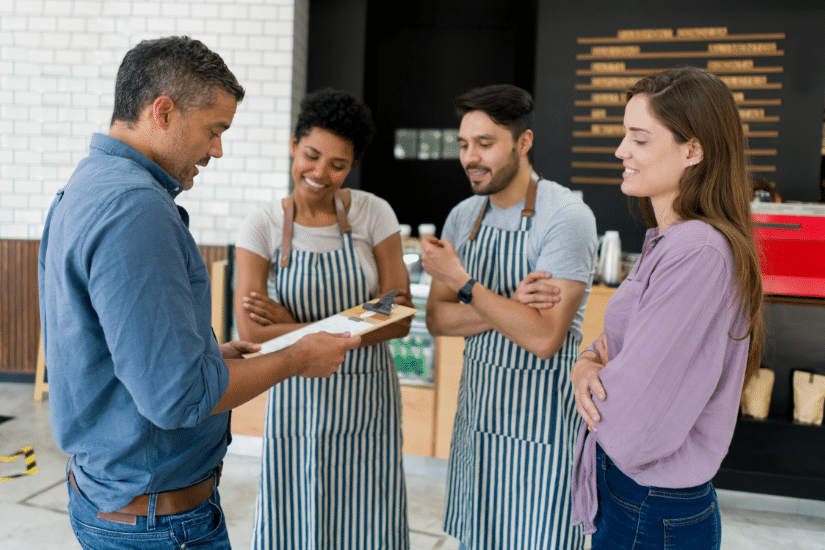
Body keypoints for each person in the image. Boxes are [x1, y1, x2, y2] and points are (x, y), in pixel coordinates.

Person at [38, 37, 359, 550]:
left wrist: (208, 355)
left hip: (109, 491)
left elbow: (120, 348)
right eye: (215, 130)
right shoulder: (135, 209)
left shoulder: (89, 184)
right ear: (163, 112)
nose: (217, 150)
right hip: (157, 520)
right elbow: (177, 398)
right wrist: (296, 358)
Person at [570, 66, 765, 549]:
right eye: (625, 136)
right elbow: (614, 347)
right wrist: (588, 363)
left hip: (650, 506)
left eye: (639, 139)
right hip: (639, 497)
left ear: (693, 151)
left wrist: (598, 376)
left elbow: (635, 410)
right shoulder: (671, 241)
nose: (622, 151)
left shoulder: (697, 251)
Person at [234, 88, 413, 550]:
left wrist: (292, 324)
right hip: (295, 396)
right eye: (311, 156)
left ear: (351, 166)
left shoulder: (373, 213)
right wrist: (363, 317)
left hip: (367, 400)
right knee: (296, 516)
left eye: (337, 164)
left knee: (368, 519)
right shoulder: (262, 224)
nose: (319, 173)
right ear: (294, 145)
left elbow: (399, 316)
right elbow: (252, 332)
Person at [421, 84, 597, 550]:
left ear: (524, 142)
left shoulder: (566, 217)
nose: (470, 158)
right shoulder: (463, 217)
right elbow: (438, 320)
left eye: (485, 143)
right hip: (479, 422)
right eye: (464, 144)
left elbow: (543, 338)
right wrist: (508, 306)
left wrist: (466, 286)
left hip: (543, 430)